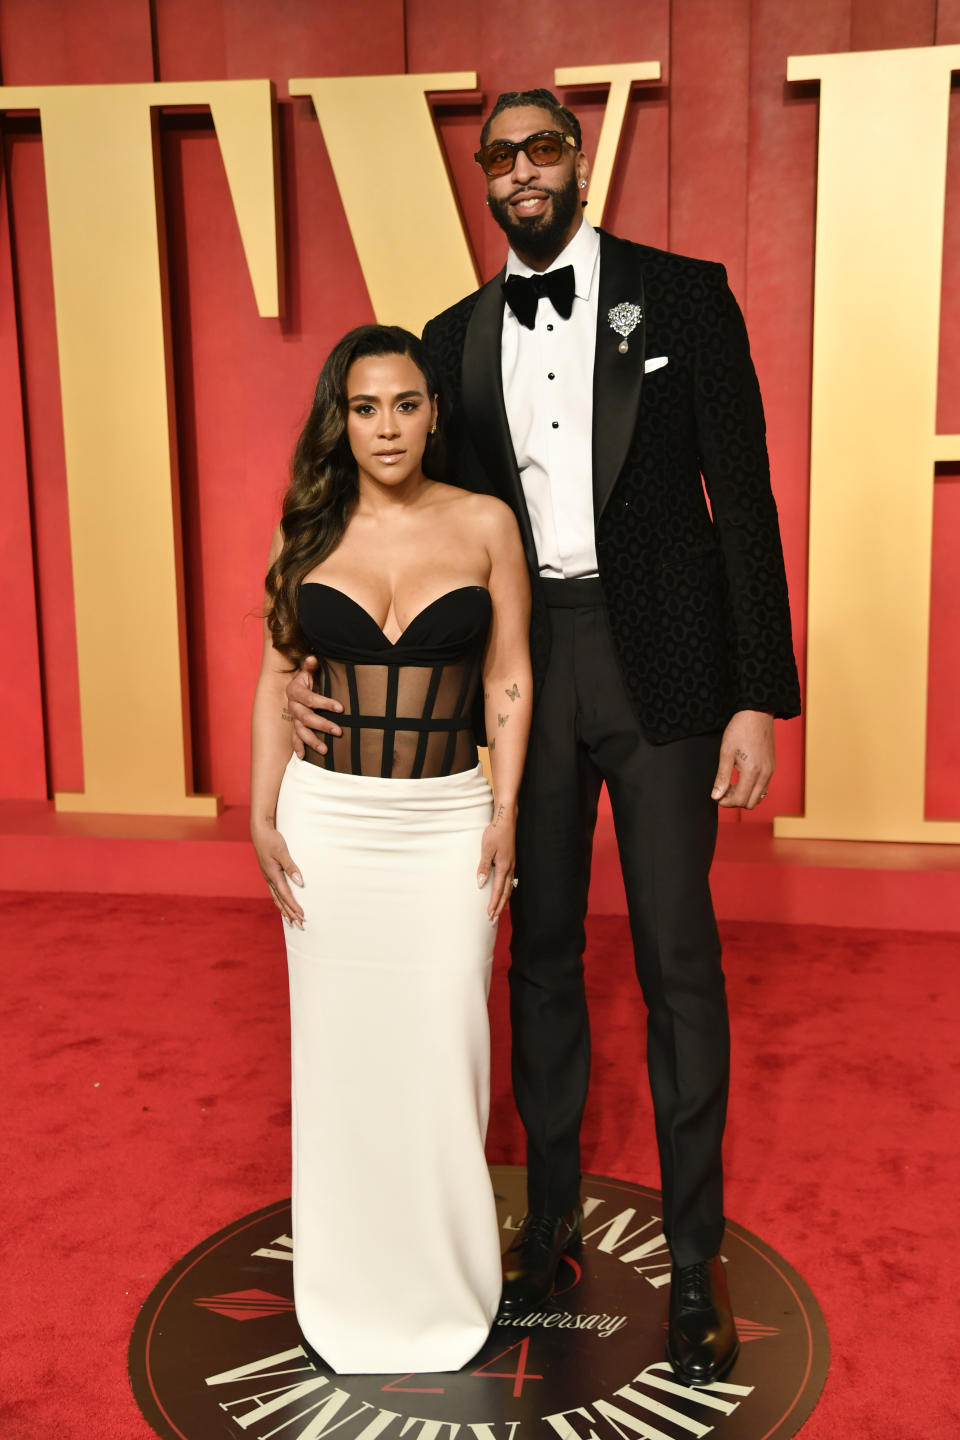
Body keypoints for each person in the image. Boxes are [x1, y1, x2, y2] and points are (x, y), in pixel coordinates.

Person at [286, 91, 801, 1387]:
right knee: (543, 956)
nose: (522, 172)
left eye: (543, 149)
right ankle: (553, 1233)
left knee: (681, 960)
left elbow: (740, 494)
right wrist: (310, 663)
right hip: (527, 671)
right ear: (484, 177)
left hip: (671, 675)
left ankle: (694, 1268)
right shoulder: (456, 341)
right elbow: (396, 510)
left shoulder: (683, 296)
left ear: (581, 161)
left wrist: (759, 693)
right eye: (499, 156)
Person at [250, 323, 531, 1374]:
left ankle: (447, 1281)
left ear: (432, 412)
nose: (386, 427)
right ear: (341, 419)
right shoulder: (309, 532)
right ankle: (349, 1285)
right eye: (365, 407)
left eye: (405, 404)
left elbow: (508, 677)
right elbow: (275, 676)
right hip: (331, 826)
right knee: (342, 1061)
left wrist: (504, 810)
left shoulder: (485, 523)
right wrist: (260, 811)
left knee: (444, 1052)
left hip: (447, 820)